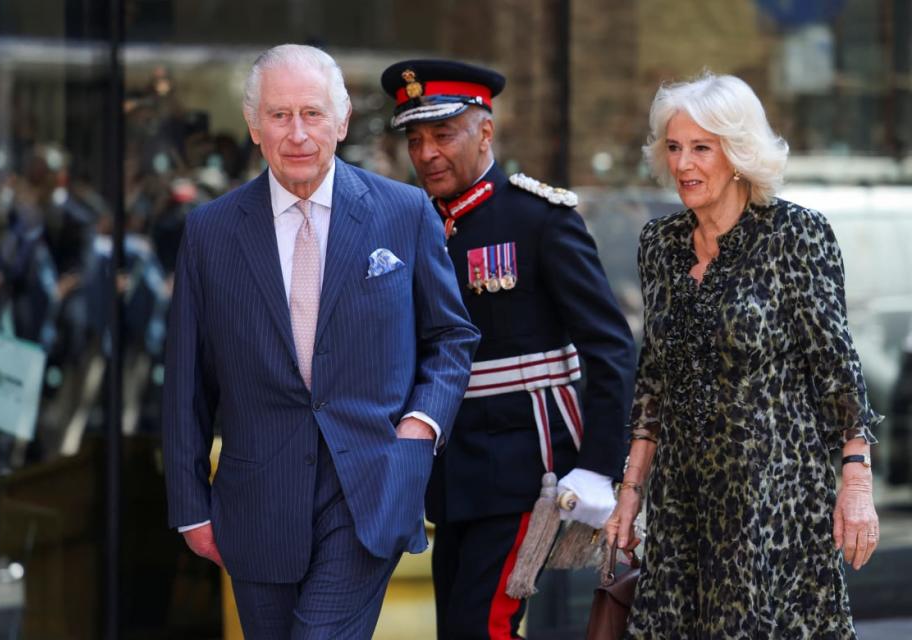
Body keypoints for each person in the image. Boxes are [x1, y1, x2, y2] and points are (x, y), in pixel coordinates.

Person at [162, 44, 479, 638]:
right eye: (280, 115)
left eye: (312, 113)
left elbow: (451, 336)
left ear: (342, 121)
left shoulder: (403, 212)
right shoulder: (210, 231)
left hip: (369, 487)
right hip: (257, 499)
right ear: (254, 126)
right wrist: (189, 506)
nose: (298, 133)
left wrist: (419, 430)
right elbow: (186, 380)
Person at [605, 73, 881, 638]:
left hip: (772, 497)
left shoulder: (795, 234)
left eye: (701, 148)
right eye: (675, 148)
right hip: (682, 500)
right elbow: (652, 379)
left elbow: (837, 368)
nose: (683, 164)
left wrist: (856, 480)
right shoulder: (659, 244)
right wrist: (630, 494)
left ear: (738, 154)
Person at [381, 59, 636, 639]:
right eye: (416, 140)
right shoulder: (413, 223)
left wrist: (599, 466)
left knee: (482, 628)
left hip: (524, 468)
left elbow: (611, 347)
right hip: (449, 474)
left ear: (485, 132)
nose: (426, 154)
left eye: (443, 135)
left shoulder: (538, 218)